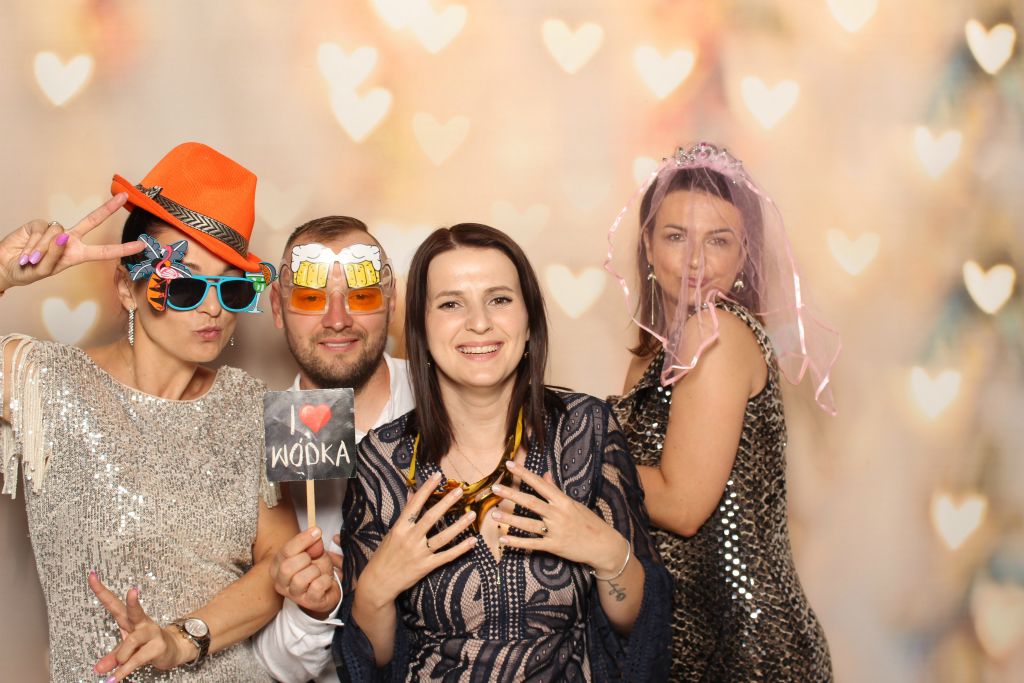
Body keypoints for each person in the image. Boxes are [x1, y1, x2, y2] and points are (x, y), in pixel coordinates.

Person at [0, 142, 317, 681]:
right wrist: (2, 273)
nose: (212, 307)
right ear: (127, 288)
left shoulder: (253, 406)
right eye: (187, 284)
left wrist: (183, 638)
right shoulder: (44, 381)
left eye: (231, 287)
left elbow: (278, 565)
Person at [333, 224, 672, 681]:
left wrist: (608, 553)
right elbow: (371, 660)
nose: (479, 322)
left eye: (499, 299)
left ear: (529, 321)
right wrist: (375, 591)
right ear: (421, 329)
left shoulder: (585, 430)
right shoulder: (380, 460)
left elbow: (640, 627)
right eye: (451, 303)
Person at [606, 142, 838, 680]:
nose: (695, 261)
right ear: (647, 246)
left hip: (748, 649)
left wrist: (569, 457)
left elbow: (681, 505)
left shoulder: (718, 335)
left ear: (743, 256)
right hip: (681, 641)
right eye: (675, 236)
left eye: (718, 240)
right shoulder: (650, 355)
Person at [253, 217, 414, 683]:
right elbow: (269, 668)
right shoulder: (256, 445)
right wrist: (312, 611)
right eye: (310, 298)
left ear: (391, 302)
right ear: (278, 308)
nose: (338, 319)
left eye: (361, 297)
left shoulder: (450, 401)